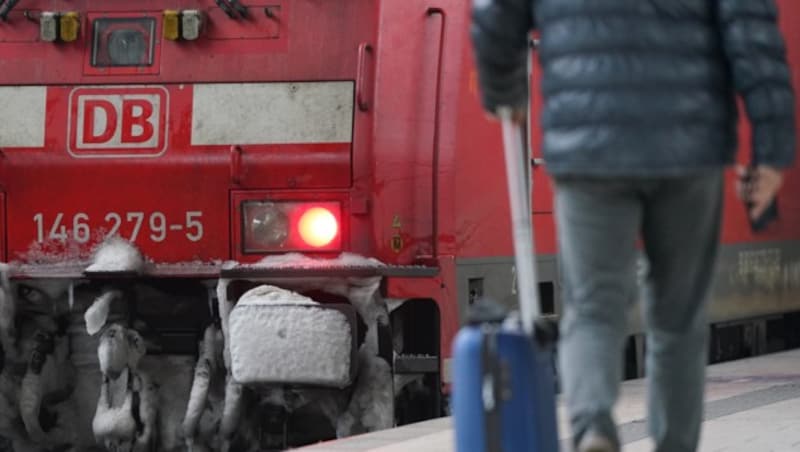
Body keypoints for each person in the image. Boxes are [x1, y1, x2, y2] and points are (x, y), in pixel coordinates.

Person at [470, 1, 796, 452]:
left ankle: (594, 429)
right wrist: (773, 149)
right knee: (678, 318)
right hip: (689, 147)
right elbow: (753, 36)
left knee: (592, 307)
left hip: (587, 149)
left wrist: (502, 90)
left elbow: (495, 13)